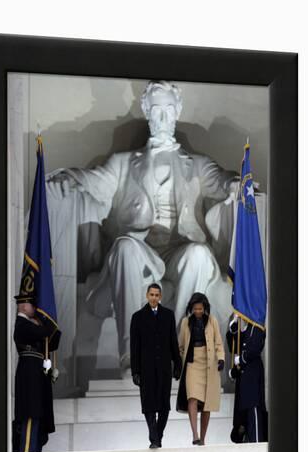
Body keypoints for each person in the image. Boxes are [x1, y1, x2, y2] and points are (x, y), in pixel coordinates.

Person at [47, 80, 239, 377]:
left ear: (177, 112)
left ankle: (177, 350)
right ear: (148, 113)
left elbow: (222, 180)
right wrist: (70, 177)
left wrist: (236, 184)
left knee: (200, 254)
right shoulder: (124, 163)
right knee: (123, 246)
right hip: (141, 250)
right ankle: (131, 356)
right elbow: (95, 181)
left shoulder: (197, 164)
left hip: (180, 252)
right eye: (157, 110)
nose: (163, 118)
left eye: (168, 110)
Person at [130, 283, 182, 448]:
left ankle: (157, 435)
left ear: (160, 297)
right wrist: (135, 371)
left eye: (156, 295)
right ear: (147, 296)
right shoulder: (137, 317)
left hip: (164, 368)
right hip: (146, 369)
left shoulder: (168, 315)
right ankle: (155, 439)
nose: (153, 298)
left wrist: (178, 365)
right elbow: (134, 347)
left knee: (164, 406)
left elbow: (173, 341)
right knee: (149, 405)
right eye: (151, 295)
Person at [12, 298, 61, 452]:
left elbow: (52, 340)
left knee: (38, 415)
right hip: (29, 377)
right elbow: (44, 332)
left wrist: (45, 321)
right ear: (24, 306)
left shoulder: (32, 325)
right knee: (30, 415)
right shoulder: (22, 324)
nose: (36, 309)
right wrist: (46, 317)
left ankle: (34, 450)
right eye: (34, 306)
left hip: (37, 377)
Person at [176, 293, 224, 445]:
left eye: (200, 309)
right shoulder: (185, 322)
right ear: (191, 308)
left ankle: (203, 438)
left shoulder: (212, 321)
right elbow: (181, 347)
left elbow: (218, 343)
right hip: (191, 363)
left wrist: (221, 358)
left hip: (208, 363)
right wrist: (178, 364)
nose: (198, 311)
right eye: (195, 308)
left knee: (207, 404)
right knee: (192, 398)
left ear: (205, 308)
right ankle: (195, 435)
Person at [226, 315, 268, 443]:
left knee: (253, 407)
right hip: (244, 377)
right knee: (243, 410)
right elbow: (234, 344)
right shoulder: (247, 328)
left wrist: (242, 359)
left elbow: (254, 349)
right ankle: (248, 440)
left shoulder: (257, 327)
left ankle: (256, 440)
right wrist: (234, 327)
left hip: (253, 375)